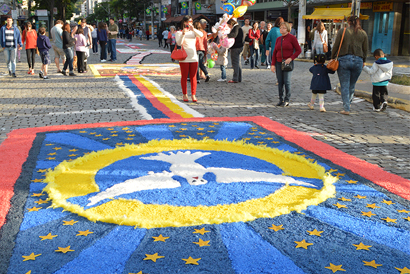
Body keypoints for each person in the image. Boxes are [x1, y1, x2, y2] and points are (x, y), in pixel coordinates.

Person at [331, 15, 368, 115]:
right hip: (358, 61)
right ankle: (348, 104)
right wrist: (364, 60)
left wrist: (332, 57)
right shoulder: (363, 33)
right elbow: (365, 49)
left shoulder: (343, 31)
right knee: (352, 85)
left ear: (349, 22)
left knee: (344, 85)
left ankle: (346, 108)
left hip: (344, 60)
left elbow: (336, 45)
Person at [271, 22, 302, 107]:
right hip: (278, 62)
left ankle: (287, 99)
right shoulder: (279, 39)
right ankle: (280, 99)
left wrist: (291, 58)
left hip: (287, 62)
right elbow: (274, 52)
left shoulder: (292, 38)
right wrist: (273, 64)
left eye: (284, 28)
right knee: (280, 81)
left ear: (288, 29)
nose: (282, 29)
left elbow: (299, 50)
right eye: (281, 28)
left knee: (287, 81)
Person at [175, 15, 203, 102]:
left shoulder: (194, 32)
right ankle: (185, 94)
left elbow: (201, 35)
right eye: (187, 21)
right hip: (184, 57)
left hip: (194, 57)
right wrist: (183, 33)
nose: (189, 23)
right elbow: (179, 43)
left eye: (190, 21)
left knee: (193, 76)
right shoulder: (179, 32)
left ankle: (193, 95)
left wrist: (193, 28)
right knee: (184, 76)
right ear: (184, 22)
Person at [226, 18, 244, 83]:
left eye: (229, 25)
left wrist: (226, 35)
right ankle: (239, 78)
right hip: (239, 47)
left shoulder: (236, 27)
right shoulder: (238, 27)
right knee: (238, 63)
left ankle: (235, 78)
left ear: (231, 24)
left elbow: (233, 35)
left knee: (235, 63)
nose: (229, 27)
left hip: (236, 48)